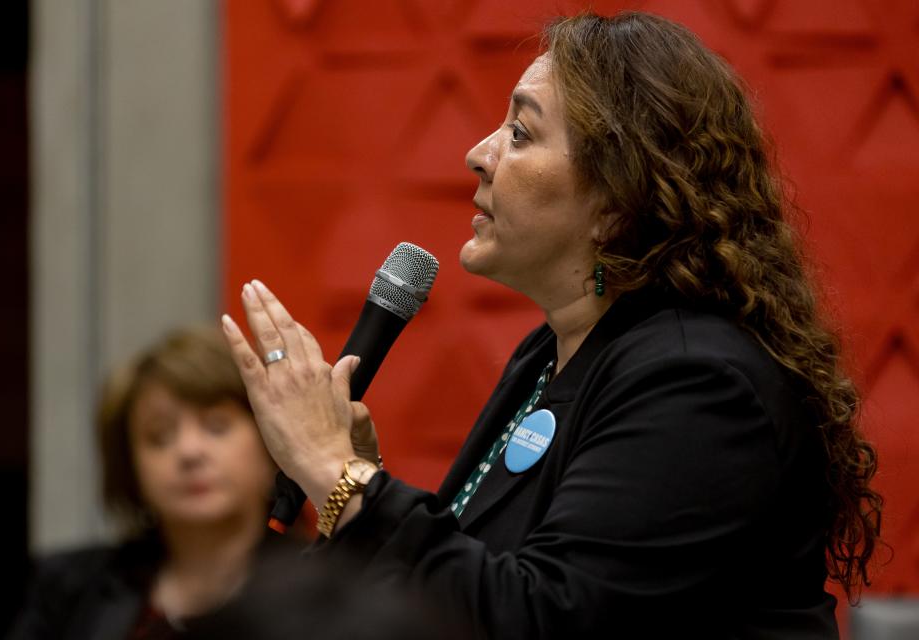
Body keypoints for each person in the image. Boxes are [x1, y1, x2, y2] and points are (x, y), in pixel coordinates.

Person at [220, 12, 882, 638]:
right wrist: (356, 489)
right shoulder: (552, 353)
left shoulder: (697, 383)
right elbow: (469, 591)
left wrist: (342, 478)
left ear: (616, 203)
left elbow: (543, 618)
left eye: (520, 133)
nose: (477, 154)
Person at [11, 327, 292, 639]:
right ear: (129, 466)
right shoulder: (69, 590)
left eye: (216, 427)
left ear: (269, 443)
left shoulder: (325, 587)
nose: (189, 452)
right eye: (160, 437)